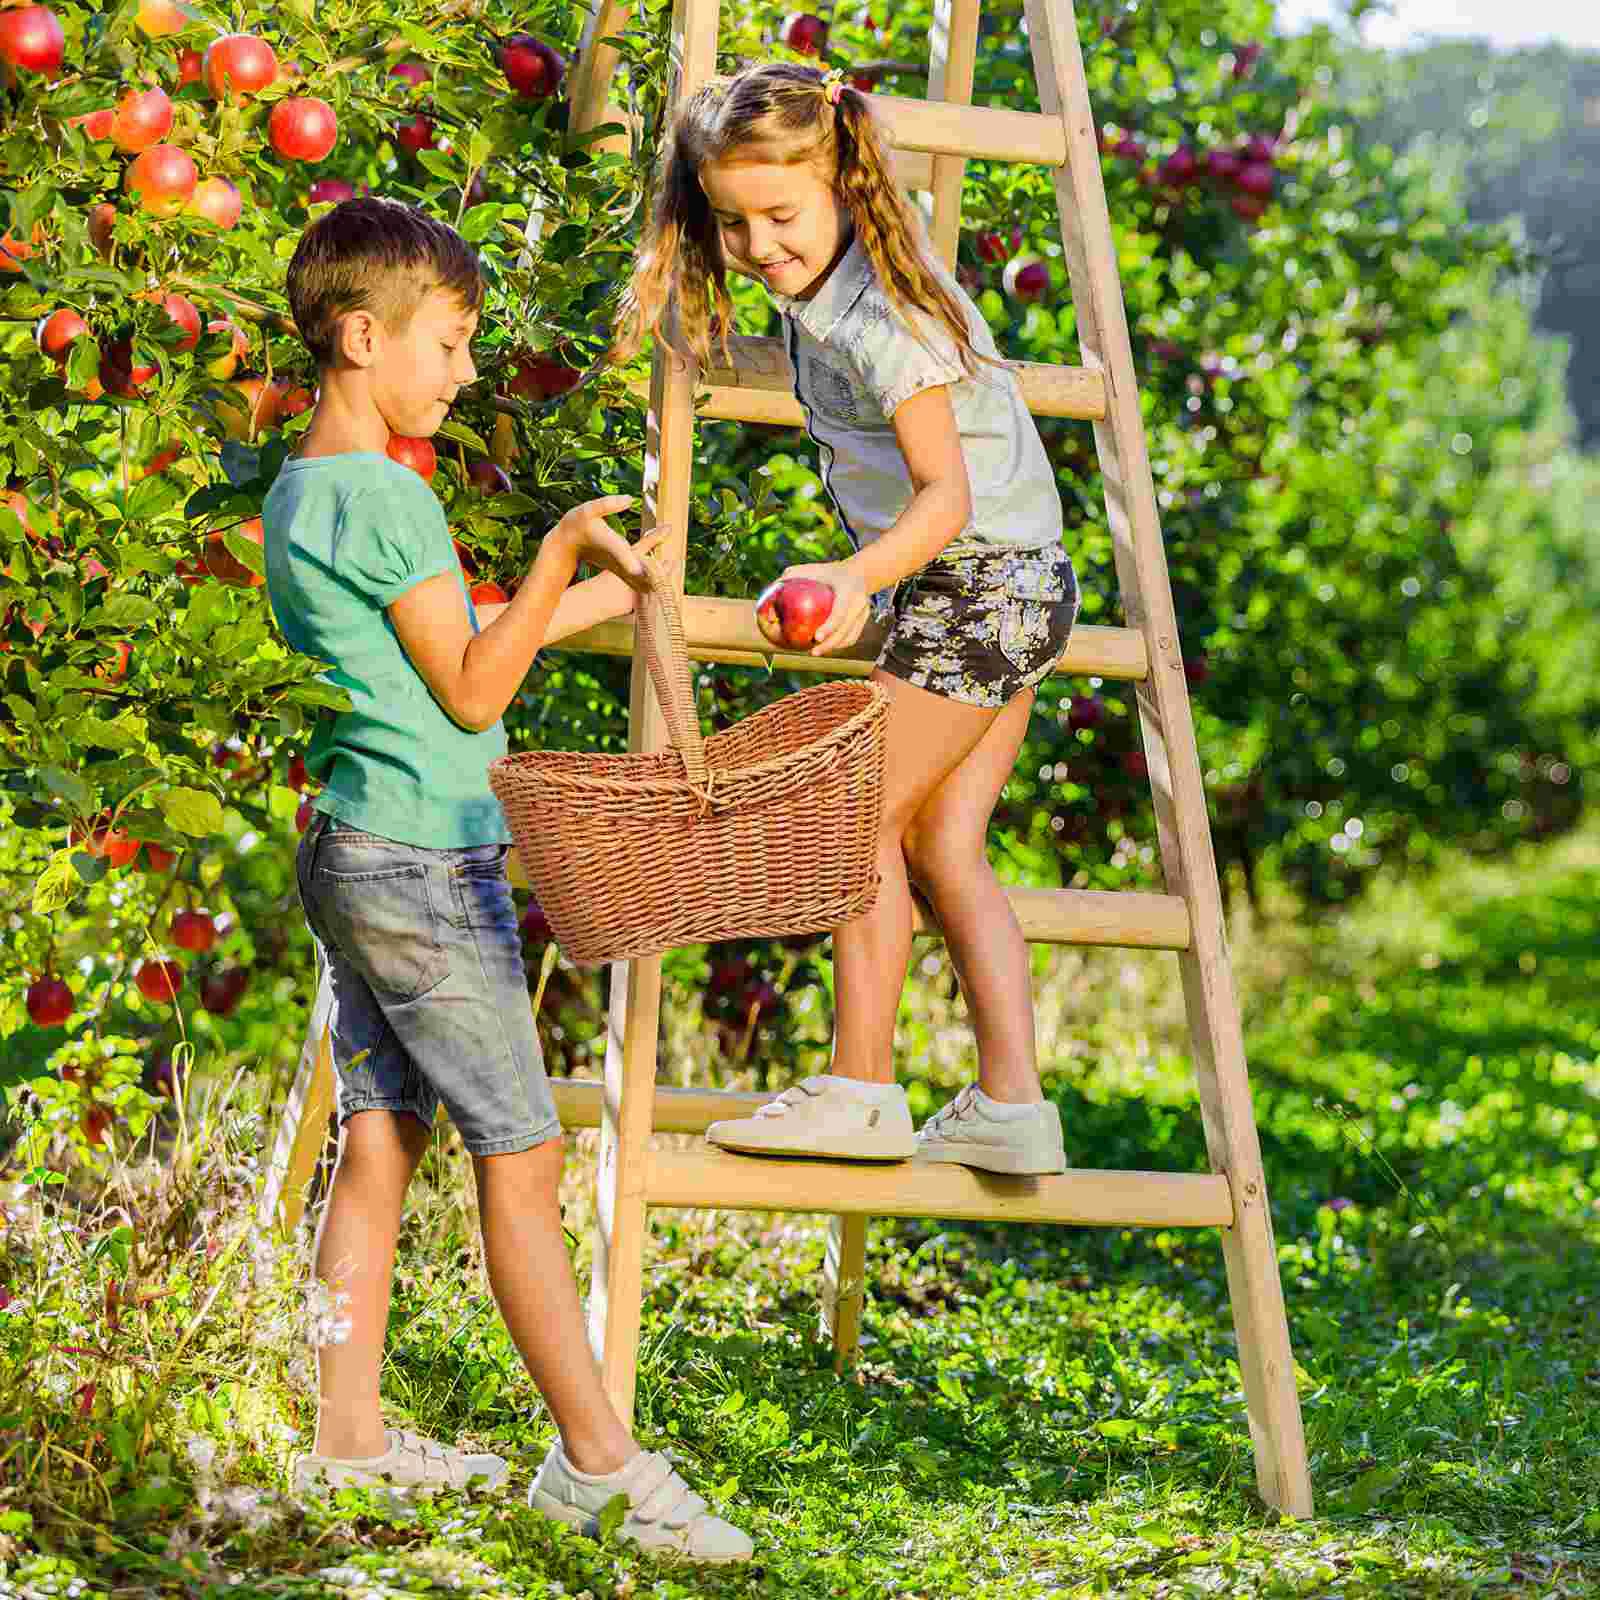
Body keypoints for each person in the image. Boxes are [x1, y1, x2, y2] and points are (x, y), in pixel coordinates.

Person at [262, 196, 751, 1564]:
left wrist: (611, 589)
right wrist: (551, 556)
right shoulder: (391, 493)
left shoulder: (310, 490)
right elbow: (478, 689)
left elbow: (446, 638)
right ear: (362, 337)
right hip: (424, 857)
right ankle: (600, 1462)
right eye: (451, 343)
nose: (466, 372)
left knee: (381, 1139)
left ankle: (345, 1438)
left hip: (353, 844)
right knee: (523, 1155)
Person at [613, 63, 1078, 1174]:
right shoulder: (837, 294)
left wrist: (854, 576)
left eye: (781, 214)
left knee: (850, 822)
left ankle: (863, 1090)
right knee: (943, 843)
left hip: (975, 584)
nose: (759, 242)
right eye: (732, 221)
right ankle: (1014, 1103)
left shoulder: (883, 319)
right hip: (1013, 587)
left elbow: (945, 497)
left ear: (840, 183)